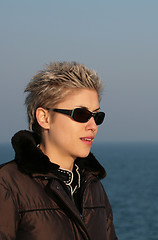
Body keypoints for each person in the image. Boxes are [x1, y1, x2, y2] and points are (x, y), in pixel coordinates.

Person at [0, 61, 117, 239]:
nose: (93, 126)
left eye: (97, 116)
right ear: (44, 118)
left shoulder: (94, 187)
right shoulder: (7, 184)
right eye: (81, 114)